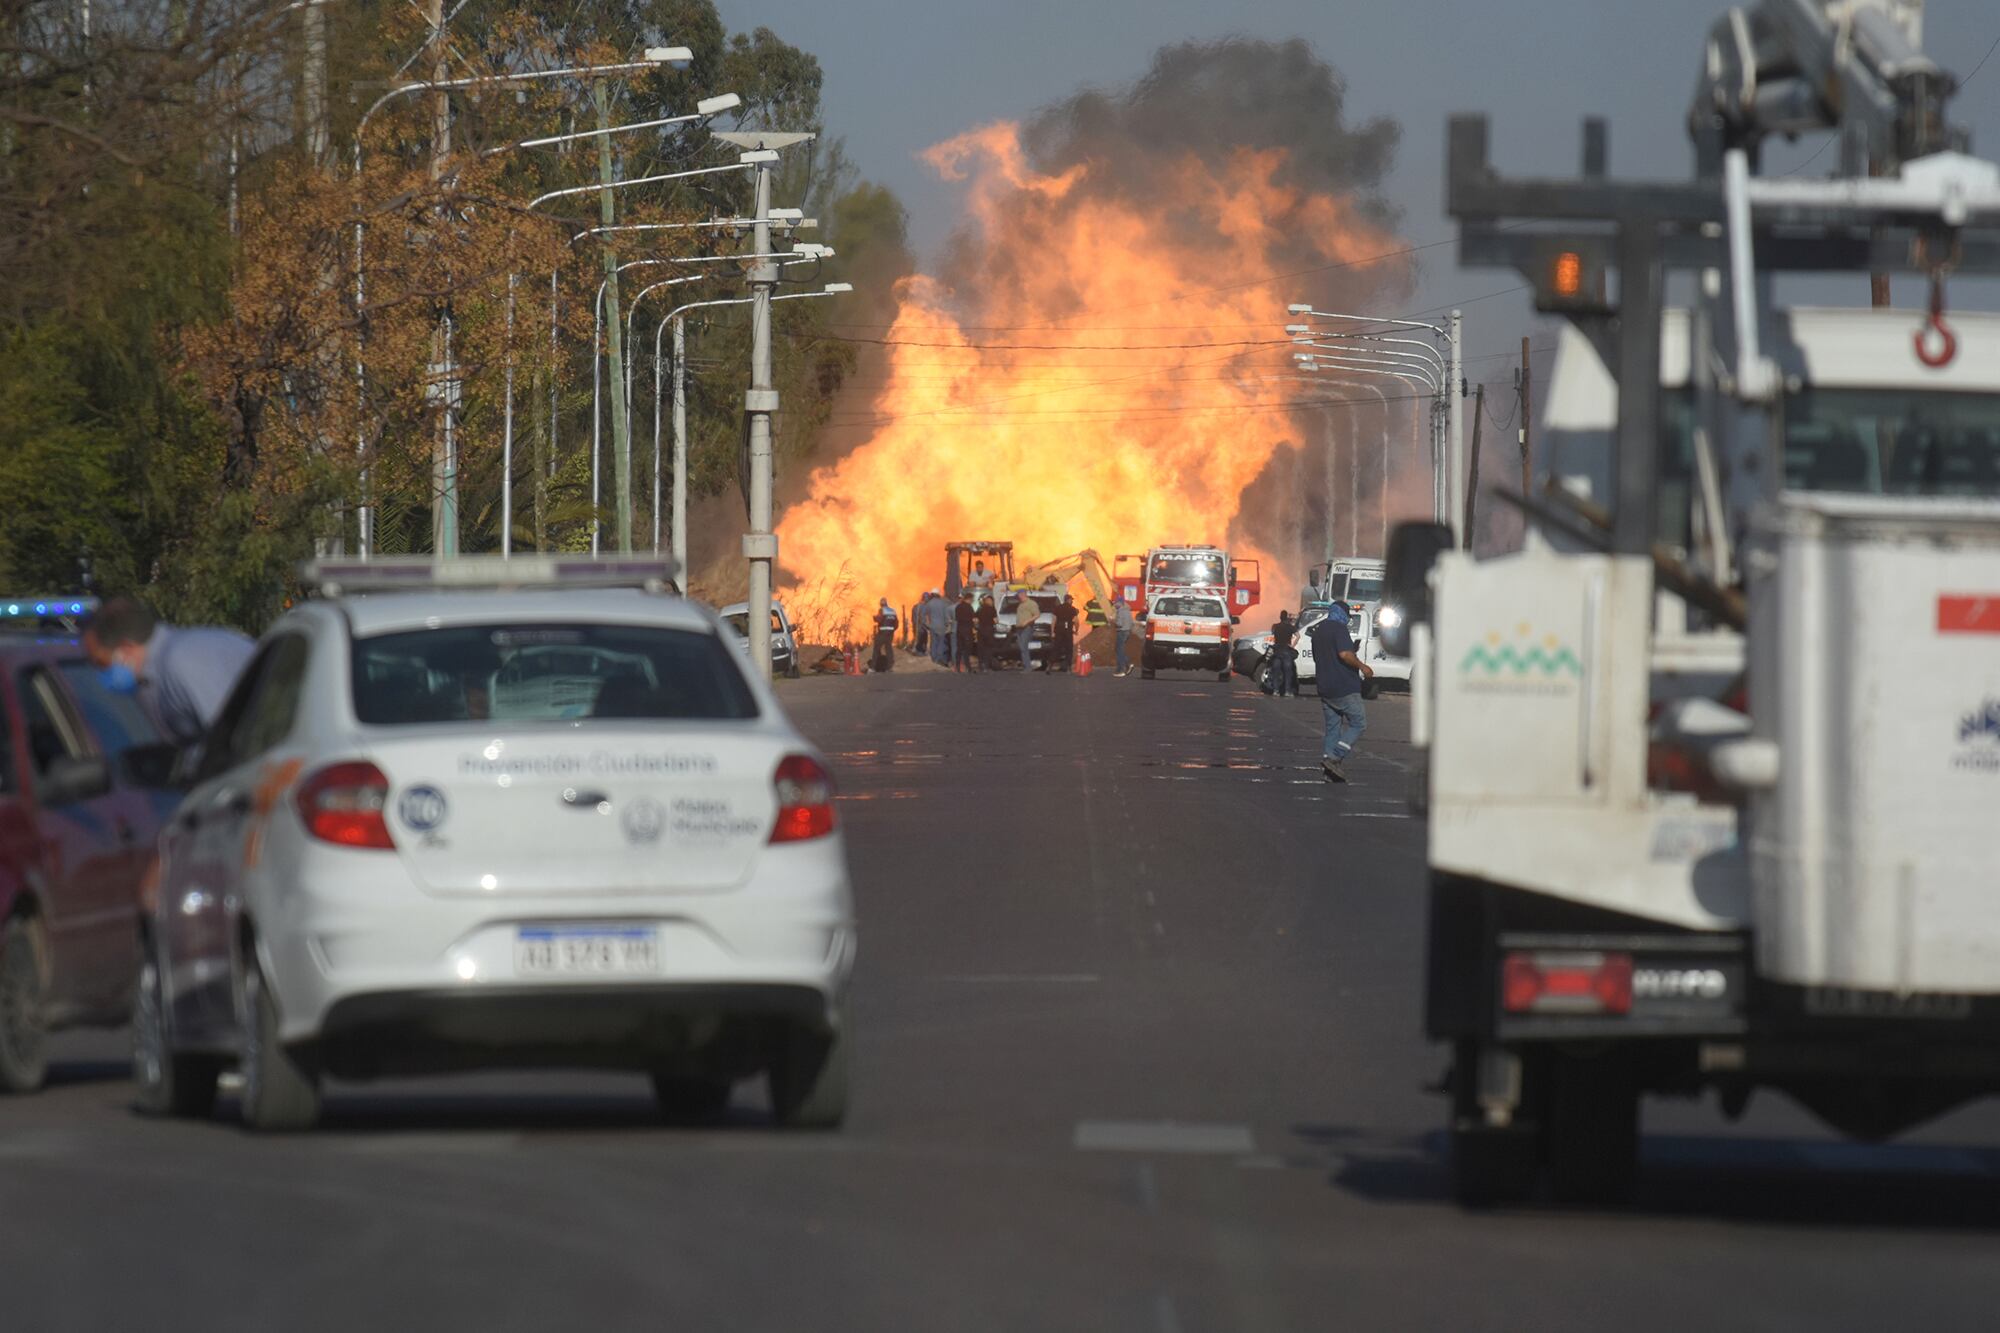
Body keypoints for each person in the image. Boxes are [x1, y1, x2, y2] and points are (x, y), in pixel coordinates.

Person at [81, 596, 256, 746]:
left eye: (101, 663)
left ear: (126, 649)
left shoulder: (183, 660)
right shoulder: (150, 678)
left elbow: (235, 738)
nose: (100, 673)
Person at [1307, 599, 1373, 782]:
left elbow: (1324, 656)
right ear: (1342, 614)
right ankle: (1336, 757)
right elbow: (1344, 654)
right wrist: (1362, 666)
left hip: (1324, 687)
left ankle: (1329, 770)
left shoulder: (1319, 631)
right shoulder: (1339, 629)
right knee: (1359, 723)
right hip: (1343, 686)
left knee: (1332, 728)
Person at [1268, 610, 1299, 698]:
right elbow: (1298, 636)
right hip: (1287, 650)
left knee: (1276, 671)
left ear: (1280, 617)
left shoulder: (1275, 626)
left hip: (1277, 651)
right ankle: (1287, 691)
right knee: (1288, 672)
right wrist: (1293, 645)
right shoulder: (1290, 627)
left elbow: (1273, 634)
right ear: (1286, 618)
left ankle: (1276, 691)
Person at [1014, 591, 1042, 671]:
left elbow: (1037, 614)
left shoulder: (1031, 603)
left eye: (1018, 595)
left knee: (1023, 646)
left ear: (1022, 594)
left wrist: (1027, 621)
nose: (1018, 597)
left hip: (1027, 627)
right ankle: (1025, 665)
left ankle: (1027, 667)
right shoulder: (1020, 604)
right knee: (1021, 646)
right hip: (1019, 628)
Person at [925, 590, 954, 666]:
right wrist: (948, 624)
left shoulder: (929, 603)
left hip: (932, 626)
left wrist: (928, 625)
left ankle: (933, 658)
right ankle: (939, 658)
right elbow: (946, 615)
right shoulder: (943, 603)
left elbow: (926, 616)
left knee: (934, 642)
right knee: (941, 643)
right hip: (942, 626)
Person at [1052, 594, 1079, 673]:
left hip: (1059, 630)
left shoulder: (1057, 608)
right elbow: (1077, 622)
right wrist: (1076, 630)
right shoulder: (1072, 609)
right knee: (1069, 649)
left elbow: (1053, 621)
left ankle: (1050, 665)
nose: (1072, 601)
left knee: (1056, 648)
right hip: (1068, 631)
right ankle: (1068, 667)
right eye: (1071, 600)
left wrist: (1052, 632)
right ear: (1069, 600)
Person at [1110, 596, 1137, 677]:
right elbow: (1132, 622)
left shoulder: (1121, 611)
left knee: (1119, 651)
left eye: (1115, 602)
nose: (1114, 604)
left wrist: (1112, 620)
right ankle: (1127, 665)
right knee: (1119, 649)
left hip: (1122, 631)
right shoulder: (1128, 610)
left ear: (1120, 603)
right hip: (1127, 631)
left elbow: (1119, 624)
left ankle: (1121, 670)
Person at [872, 598, 899, 672]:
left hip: (882, 633)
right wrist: (892, 630)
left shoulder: (882, 610)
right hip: (890, 634)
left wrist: (874, 618)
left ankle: (873, 667)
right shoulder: (893, 611)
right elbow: (896, 624)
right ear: (887, 603)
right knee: (889, 649)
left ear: (881, 604)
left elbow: (879, 619)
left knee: (876, 648)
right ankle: (889, 667)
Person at [953, 593, 977, 673]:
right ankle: (968, 667)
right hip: (967, 630)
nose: (973, 601)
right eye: (972, 599)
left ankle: (957, 666)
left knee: (959, 649)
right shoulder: (969, 607)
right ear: (969, 599)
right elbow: (973, 618)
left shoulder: (958, 607)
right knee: (967, 649)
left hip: (959, 630)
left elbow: (957, 618)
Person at [975, 595, 999, 672]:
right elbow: (996, 621)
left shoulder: (980, 609)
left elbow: (975, 620)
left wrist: (978, 626)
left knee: (980, 648)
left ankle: (980, 665)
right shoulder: (992, 609)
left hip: (981, 630)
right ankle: (987, 665)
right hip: (989, 630)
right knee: (988, 648)